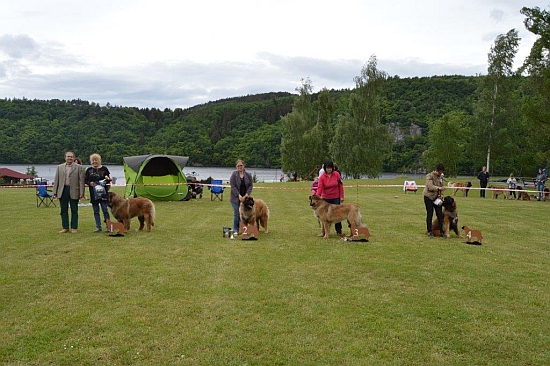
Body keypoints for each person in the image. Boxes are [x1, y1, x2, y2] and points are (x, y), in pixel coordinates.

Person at [52, 151, 85, 233]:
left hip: (74, 191)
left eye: (71, 156)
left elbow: (81, 181)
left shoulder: (79, 167)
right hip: (63, 190)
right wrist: (54, 192)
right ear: (65, 157)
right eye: (68, 156)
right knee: (63, 210)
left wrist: (82, 193)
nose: (69, 158)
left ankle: (74, 227)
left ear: (73, 158)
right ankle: (65, 227)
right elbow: (56, 180)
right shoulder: (60, 167)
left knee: (74, 210)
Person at [316, 160, 344, 236]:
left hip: (336, 197)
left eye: (330, 168)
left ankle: (339, 231)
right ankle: (323, 232)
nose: (329, 169)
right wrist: (317, 197)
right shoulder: (322, 177)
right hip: (326, 198)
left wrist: (341, 196)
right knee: (324, 217)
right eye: (328, 168)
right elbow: (320, 187)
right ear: (325, 168)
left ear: (333, 168)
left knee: (338, 214)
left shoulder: (337, 174)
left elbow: (340, 186)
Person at [84, 153, 111, 232]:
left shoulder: (104, 169)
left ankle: (108, 226)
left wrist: (105, 182)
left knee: (105, 210)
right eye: (93, 160)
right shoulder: (89, 170)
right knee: (96, 211)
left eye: (96, 160)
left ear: (99, 160)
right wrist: (90, 183)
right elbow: (86, 180)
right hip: (93, 193)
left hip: (103, 193)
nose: (94, 162)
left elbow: (108, 179)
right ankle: (98, 227)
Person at [229, 159, 253, 234]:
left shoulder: (248, 175)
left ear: (243, 166)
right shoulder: (234, 174)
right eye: (238, 166)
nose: (240, 167)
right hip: (235, 198)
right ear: (236, 166)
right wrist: (238, 195)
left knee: (244, 215)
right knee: (237, 213)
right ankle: (236, 230)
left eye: (241, 165)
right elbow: (232, 186)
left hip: (246, 199)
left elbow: (250, 185)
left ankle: (244, 230)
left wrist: (247, 194)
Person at [423, 162, 446, 238]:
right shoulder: (429, 176)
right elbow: (430, 186)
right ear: (436, 170)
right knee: (430, 214)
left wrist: (441, 194)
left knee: (439, 214)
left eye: (442, 172)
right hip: (428, 197)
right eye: (440, 172)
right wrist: (439, 188)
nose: (441, 174)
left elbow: (441, 186)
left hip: (437, 198)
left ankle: (442, 231)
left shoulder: (441, 177)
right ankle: (429, 231)